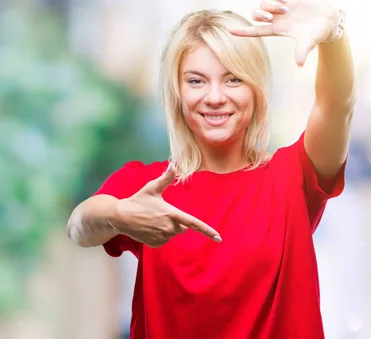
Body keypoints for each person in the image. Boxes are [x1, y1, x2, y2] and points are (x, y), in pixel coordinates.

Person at [66, 0, 355, 338]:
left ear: (257, 89)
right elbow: (78, 226)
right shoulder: (150, 186)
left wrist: (334, 35)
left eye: (233, 79)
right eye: (196, 81)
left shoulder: (292, 176)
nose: (215, 97)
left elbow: (338, 106)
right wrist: (119, 214)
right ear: (177, 92)